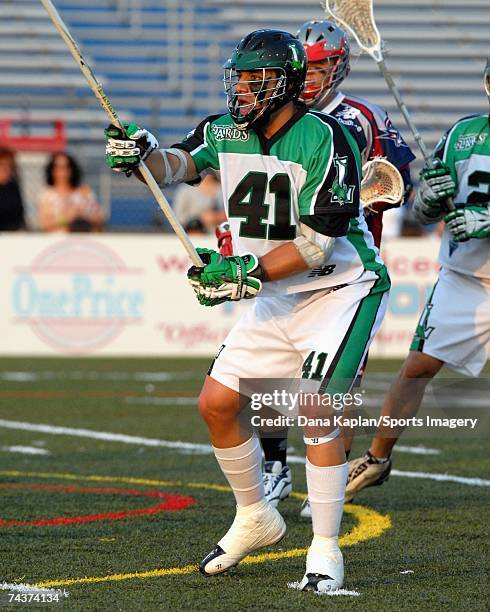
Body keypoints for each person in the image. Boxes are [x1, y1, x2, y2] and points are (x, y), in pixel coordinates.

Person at [105, 29, 390, 593]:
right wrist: (140, 155)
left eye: (253, 80)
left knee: (315, 409)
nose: (240, 89)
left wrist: (245, 273)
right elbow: (177, 165)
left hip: (341, 288)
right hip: (277, 293)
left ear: (283, 84)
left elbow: (317, 245)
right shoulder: (226, 128)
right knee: (216, 403)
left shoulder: (326, 137)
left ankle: (325, 550)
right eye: (236, 78)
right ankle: (256, 515)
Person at [243, 20, 415, 516]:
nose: (314, 75)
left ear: (337, 66)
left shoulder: (360, 116)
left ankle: (329, 482)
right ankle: (274, 467)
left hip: (342, 271)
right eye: (308, 64)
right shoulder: (270, 114)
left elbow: (395, 176)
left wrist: (355, 196)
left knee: (336, 392)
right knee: (268, 375)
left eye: (322, 65)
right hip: (284, 260)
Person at [346, 58, 490, 502]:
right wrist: (429, 199)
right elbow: (424, 212)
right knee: (417, 368)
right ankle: (377, 458)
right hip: (466, 278)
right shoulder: (464, 135)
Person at [38, 152, 104, 232]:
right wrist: (66, 218)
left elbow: (99, 218)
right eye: (58, 167)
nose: (63, 171)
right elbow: (44, 224)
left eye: (67, 167)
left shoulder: (85, 192)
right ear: (52, 170)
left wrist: (82, 216)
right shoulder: (47, 195)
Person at [0, 146, 25, 231]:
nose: (6, 169)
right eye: (2, 165)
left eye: (10, 166)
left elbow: (19, 216)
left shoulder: (13, 188)